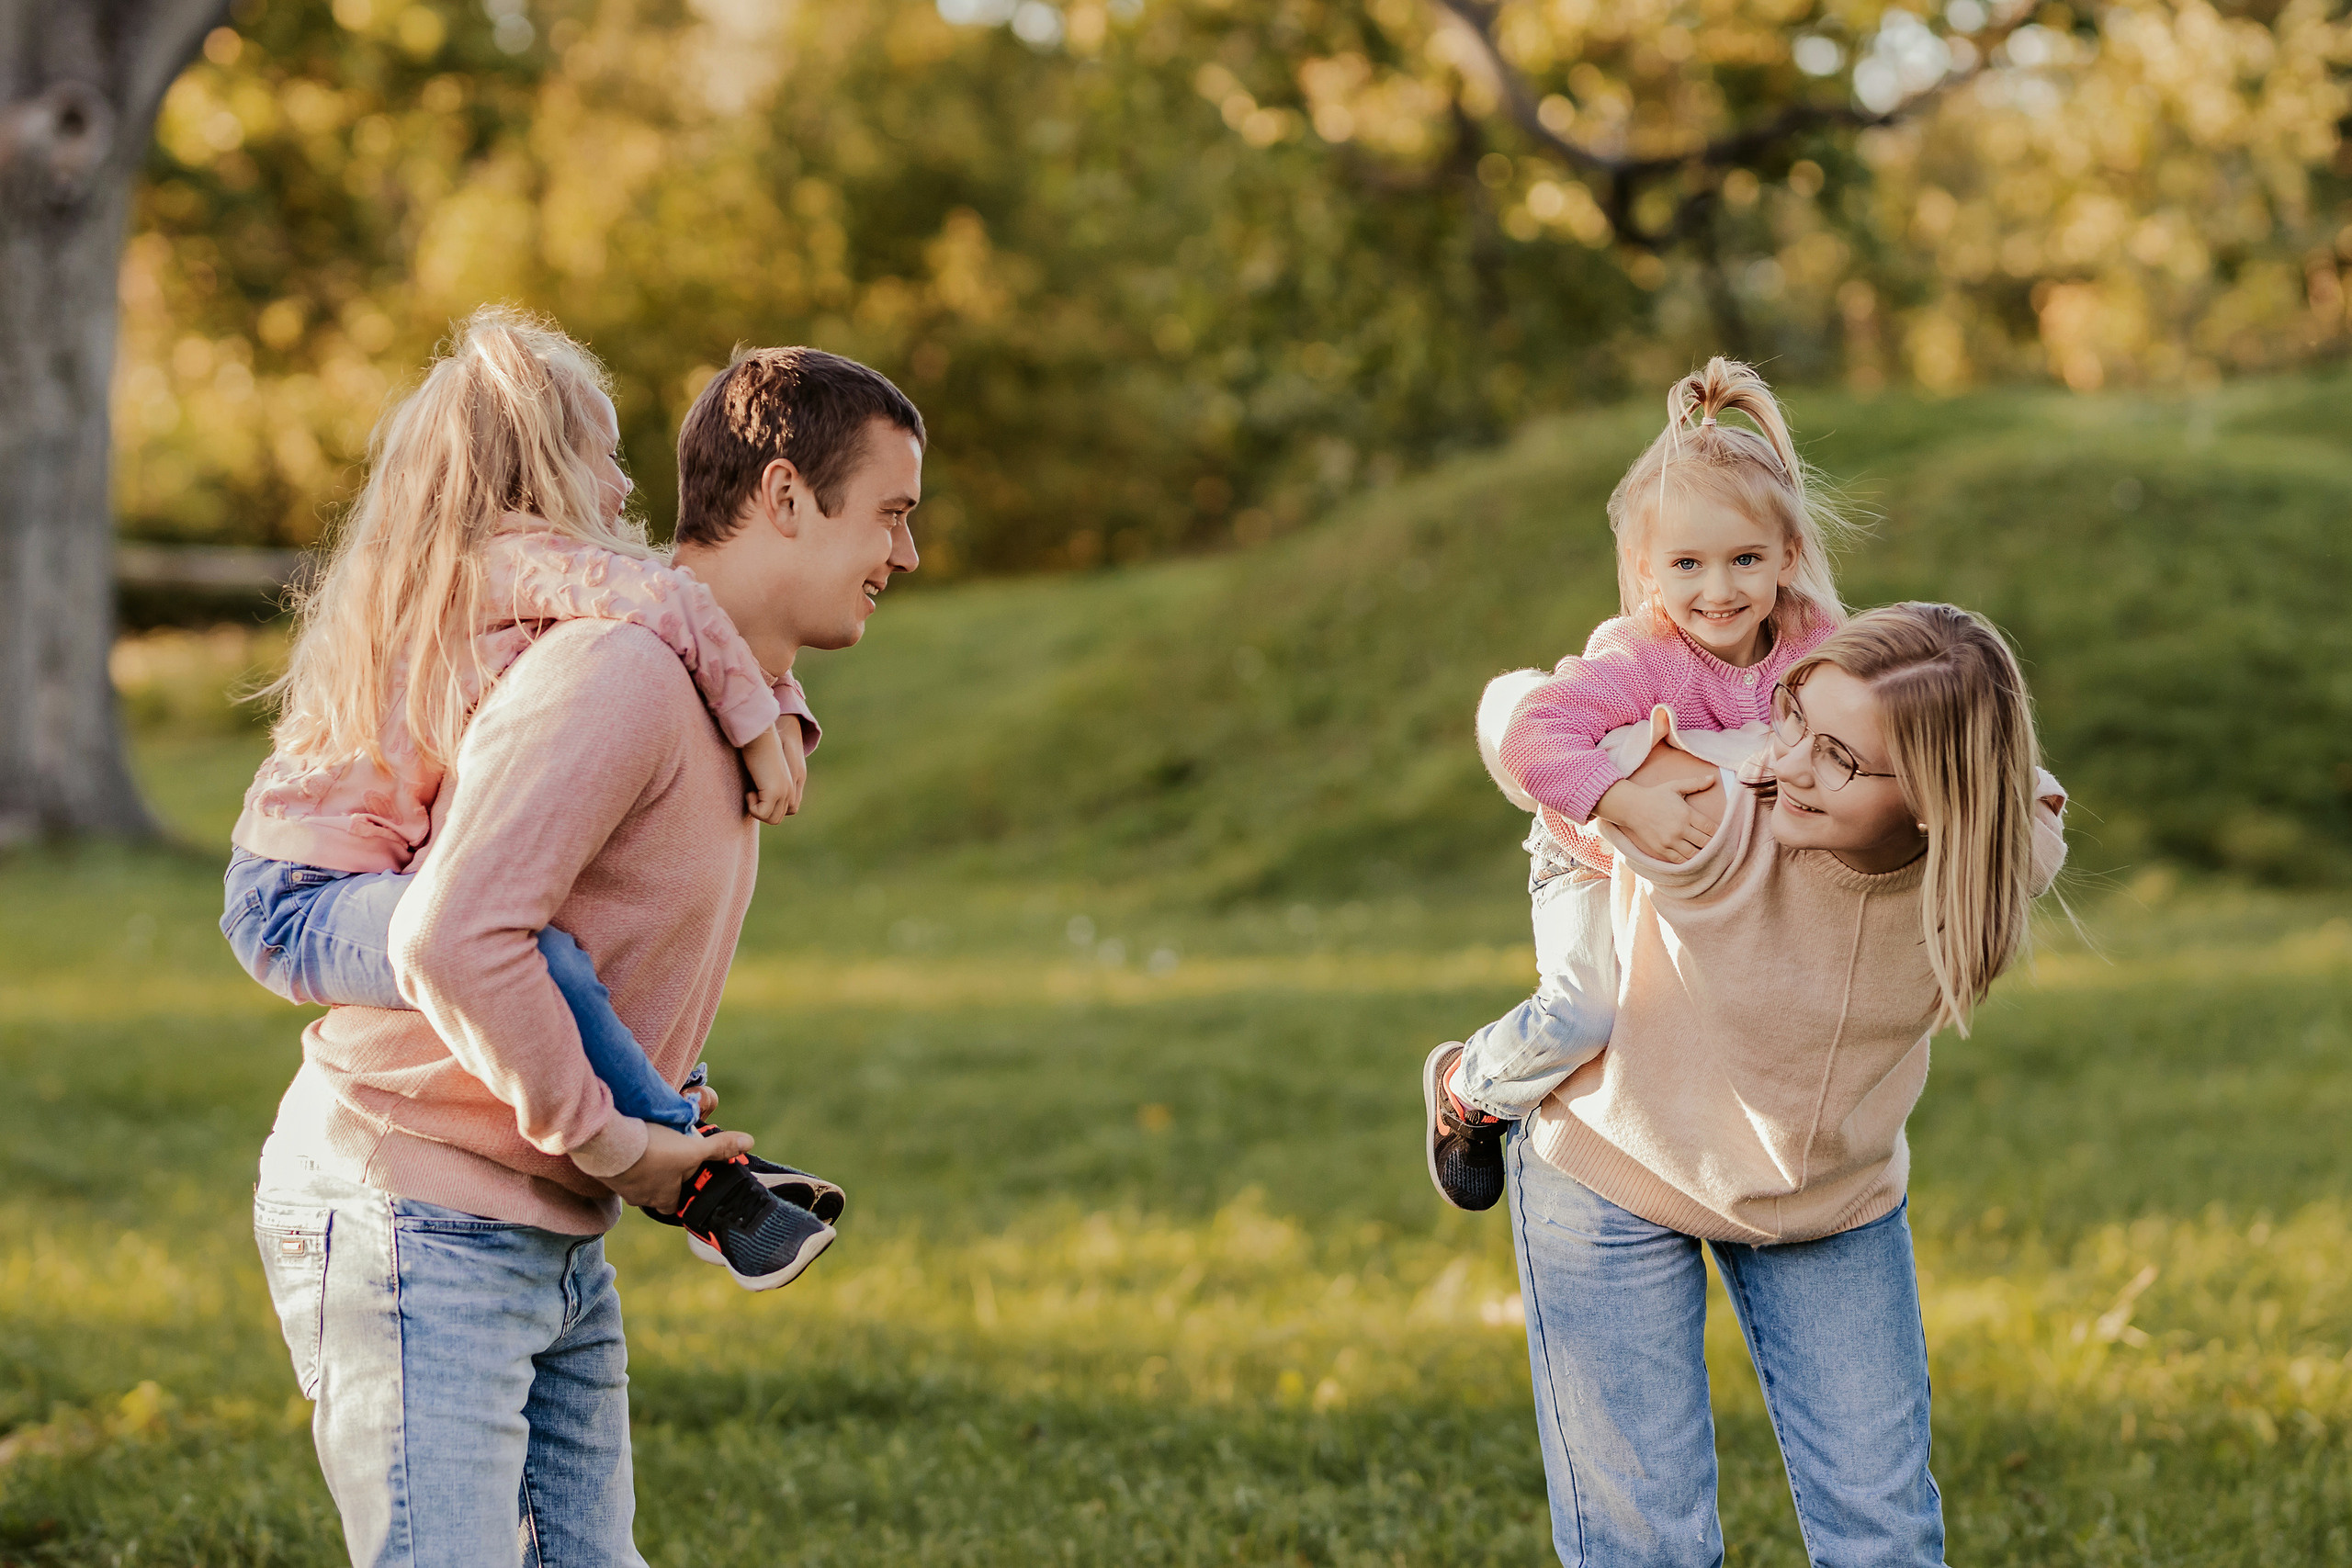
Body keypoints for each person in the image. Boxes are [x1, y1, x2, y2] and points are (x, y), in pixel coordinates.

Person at [248, 327, 926, 1566]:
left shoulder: (719, 694)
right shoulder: (619, 671)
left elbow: (596, 936)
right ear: (786, 495)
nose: (908, 552)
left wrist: (655, 1100)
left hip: (546, 1226)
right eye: (891, 513)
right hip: (417, 1208)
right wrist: (623, 1142)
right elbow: (456, 935)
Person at [225, 308, 842, 1292]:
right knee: (531, 950)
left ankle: (687, 1141)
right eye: (603, 454)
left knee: (551, 948)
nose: (627, 485)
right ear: (537, 468)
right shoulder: (511, 562)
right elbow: (676, 599)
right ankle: (691, 1173)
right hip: (295, 899)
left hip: (325, 881)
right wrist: (768, 721)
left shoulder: (474, 577)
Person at [1447, 602, 2067, 1565]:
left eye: (1841, 757)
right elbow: (1508, 712)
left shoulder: (2003, 852)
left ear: (1945, 797)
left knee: (1885, 1537)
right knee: (1645, 1547)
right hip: (1619, 1164)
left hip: (1831, 1195)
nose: (1787, 764)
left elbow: (2016, 787)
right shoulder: (1712, 808)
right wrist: (1603, 787)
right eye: (1791, 719)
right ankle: (1468, 1086)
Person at [1421, 357, 1853, 1210]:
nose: (1720, 589)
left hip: (1714, 865)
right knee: (1588, 1015)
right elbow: (1532, 739)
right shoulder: (1639, 651)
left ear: (1788, 555)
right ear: (1650, 570)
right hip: (1589, 849)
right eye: (1688, 564)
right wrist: (1620, 800)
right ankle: (1471, 1085)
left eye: (1745, 559)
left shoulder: (1818, 645)